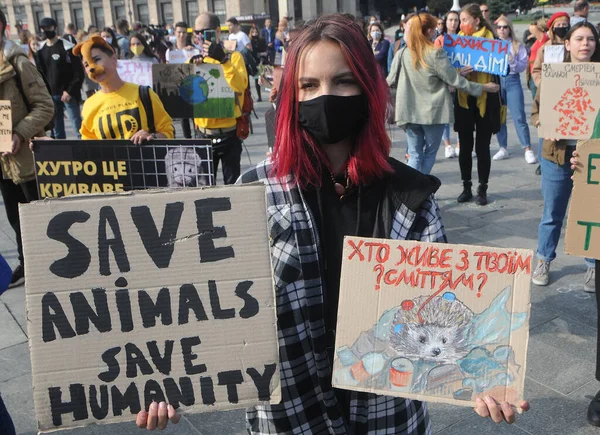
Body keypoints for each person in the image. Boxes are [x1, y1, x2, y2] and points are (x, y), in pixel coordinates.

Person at [135, 13, 529, 433]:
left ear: (368, 88)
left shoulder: (412, 198)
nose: (326, 96)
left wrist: (482, 380)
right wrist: (171, 379)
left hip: (385, 415)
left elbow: (447, 306)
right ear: (290, 95)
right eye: (309, 85)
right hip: (291, 412)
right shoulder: (251, 194)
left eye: (342, 81)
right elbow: (208, 306)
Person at [531, 21, 598, 291]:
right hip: (556, 155)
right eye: (579, 39)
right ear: (567, 44)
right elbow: (536, 112)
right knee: (552, 212)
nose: (585, 44)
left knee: (592, 211)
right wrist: (544, 126)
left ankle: (593, 265)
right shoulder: (554, 76)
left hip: (591, 157)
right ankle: (544, 259)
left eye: (590, 39)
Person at [388, 13, 498, 175]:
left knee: (415, 153)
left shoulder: (402, 53)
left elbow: (389, 81)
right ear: (428, 31)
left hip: (408, 112)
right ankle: (420, 191)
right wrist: (484, 88)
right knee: (430, 153)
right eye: (433, 29)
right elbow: (456, 81)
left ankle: (413, 192)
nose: (436, 32)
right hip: (433, 113)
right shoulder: (435, 53)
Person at [0, 9, 54, 288]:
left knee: (35, 214)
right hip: (2, 160)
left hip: (26, 156)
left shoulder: (17, 62)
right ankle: (27, 263)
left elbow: (45, 106)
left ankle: (51, 265)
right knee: (13, 215)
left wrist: (20, 132)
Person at [70, 36, 173, 141]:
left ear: (114, 59)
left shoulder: (144, 94)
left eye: (97, 59)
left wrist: (152, 137)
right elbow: (88, 147)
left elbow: (168, 132)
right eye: (86, 65)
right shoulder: (89, 105)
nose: (92, 68)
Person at [190, 12, 247, 184]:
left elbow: (239, 87)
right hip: (203, 135)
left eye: (204, 32)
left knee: (233, 186)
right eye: (196, 32)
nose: (200, 36)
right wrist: (191, 68)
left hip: (229, 134)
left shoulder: (234, 57)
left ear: (216, 31)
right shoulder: (195, 60)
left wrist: (223, 60)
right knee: (205, 188)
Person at [454, 4, 502, 206]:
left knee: (483, 146)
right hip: (464, 98)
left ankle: (482, 188)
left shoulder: (492, 40)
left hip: (486, 97)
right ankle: (466, 186)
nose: (461, 24)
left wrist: (490, 79)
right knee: (465, 146)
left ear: (476, 20)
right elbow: (448, 69)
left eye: (465, 20)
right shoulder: (455, 42)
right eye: (460, 20)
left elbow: (502, 68)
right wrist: (458, 72)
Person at [492, 16, 537, 164]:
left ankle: (527, 148)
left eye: (505, 27)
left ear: (509, 28)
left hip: (512, 80)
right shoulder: (493, 44)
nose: (502, 30)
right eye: (499, 27)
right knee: (499, 116)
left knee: (518, 116)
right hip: (497, 80)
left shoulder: (517, 45)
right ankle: (503, 147)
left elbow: (523, 66)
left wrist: (512, 60)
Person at [35, 17, 84, 140]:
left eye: (49, 28)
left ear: (55, 28)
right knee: (57, 131)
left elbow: (78, 72)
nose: (46, 31)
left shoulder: (67, 47)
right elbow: (40, 74)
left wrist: (69, 90)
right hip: (51, 95)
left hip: (68, 94)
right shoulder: (41, 50)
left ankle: (84, 151)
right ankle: (62, 154)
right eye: (44, 29)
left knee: (78, 127)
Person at [435, 10, 461, 159]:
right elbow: (437, 63)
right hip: (445, 82)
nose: (453, 23)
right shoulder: (440, 40)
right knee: (445, 115)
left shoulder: (463, 39)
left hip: (461, 81)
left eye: (456, 20)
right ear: (446, 22)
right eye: (450, 20)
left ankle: (459, 143)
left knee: (460, 114)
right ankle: (447, 145)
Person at [166, 21, 194, 139]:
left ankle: (199, 137)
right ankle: (188, 141)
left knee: (195, 115)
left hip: (192, 85)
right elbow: (167, 69)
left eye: (184, 32)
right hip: (177, 86)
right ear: (175, 33)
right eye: (179, 32)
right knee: (184, 117)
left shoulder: (193, 50)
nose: (181, 35)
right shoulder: (170, 51)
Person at [532, 12, 571, 88]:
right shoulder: (545, 48)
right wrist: (541, 84)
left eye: (564, 24)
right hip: (549, 87)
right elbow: (537, 70)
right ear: (553, 27)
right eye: (558, 25)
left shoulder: (574, 46)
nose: (561, 27)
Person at [526, 19, 549, 99]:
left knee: (538, 98)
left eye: (532, 30)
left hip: (538, 71)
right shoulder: (537, 40)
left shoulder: (546, 40)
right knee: (535, 97)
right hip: (532, 70)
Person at [249, 26, 267, 102]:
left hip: (261, 61)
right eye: (253, 32)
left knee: (259, 79)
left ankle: (259, 96)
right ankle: (252, 95)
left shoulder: (262, 40)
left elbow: (265, 52)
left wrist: (261, 56)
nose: (254, 34)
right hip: (252, 62)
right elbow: (250, 52)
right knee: (254, 79)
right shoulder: (249, 41)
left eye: (256, 32)